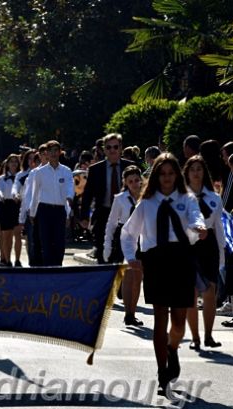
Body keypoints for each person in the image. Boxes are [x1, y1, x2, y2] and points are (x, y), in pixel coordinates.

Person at [120, 154, 207, 393]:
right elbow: (128, 233)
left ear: (177, 175)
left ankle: (172, 347)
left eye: (171, 173)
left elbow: (195, 216)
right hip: (156, 260)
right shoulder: (147, 203)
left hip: (181, 258)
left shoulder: (186, 198)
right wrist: (132, 258)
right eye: (162, 173)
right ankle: (162, 374)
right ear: (156, 176)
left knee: (179, 320)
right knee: (160, 318)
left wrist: (199, 227)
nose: (167, 178)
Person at [183, 156, 225, 350]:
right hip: (189, 246)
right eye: (192, 169)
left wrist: (222, 256)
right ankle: (195, 337)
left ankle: (208, 335)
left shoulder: (214, 197)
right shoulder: (180, 196)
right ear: (187, 172)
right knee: (190, 293)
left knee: (210, 291)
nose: (196, 172)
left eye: (199, 169)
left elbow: (219, 227)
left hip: (209, 246)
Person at [81, 133, 136, 263]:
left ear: (121, 148)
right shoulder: (95, 169)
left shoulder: (130, 167)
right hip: (103, 215)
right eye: (109, 147)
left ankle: (122, 283)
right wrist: (84, 216)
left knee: (124, 256)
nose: (112, 150)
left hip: (126, 216)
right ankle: (106, 281)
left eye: (115, 147)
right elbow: (88, 194)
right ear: (104, 149)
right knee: (103, 254)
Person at [103, 165, 144, 326]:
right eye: (131, 181)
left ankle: (133, 312)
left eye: (136, 180)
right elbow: (112, 223)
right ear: (126, 183)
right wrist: (107, 244)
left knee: (138, 277)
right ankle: (128, 314)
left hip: (142, 237)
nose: (134, 184)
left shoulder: (146, 197)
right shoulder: (120, 198)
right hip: (125, 237)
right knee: (129, 275)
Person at [28, 140, 75, 266]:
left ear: (60, 152)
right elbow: (35, 194)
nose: (53, 153)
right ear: (46, 153)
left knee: (59, 243)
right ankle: (47, 270)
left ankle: (57, 268)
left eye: (56, 150)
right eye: (51, 151)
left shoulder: (66, 171)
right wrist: (32, 213)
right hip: (44, 210)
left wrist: (69, 204)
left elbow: (70, 188)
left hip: (59, 210)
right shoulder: (40, 172)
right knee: (46, 243)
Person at [0, 153, 21, 266]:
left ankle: (17, 260)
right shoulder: (1, 179)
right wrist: (0, 195)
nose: (13, 164)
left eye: (15, 161)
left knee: (17, 234)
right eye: (11, 161)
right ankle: (7, 260)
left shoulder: (21, 177)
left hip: (17, 204)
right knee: (6, 235)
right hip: (5, 205)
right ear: (7, 164)